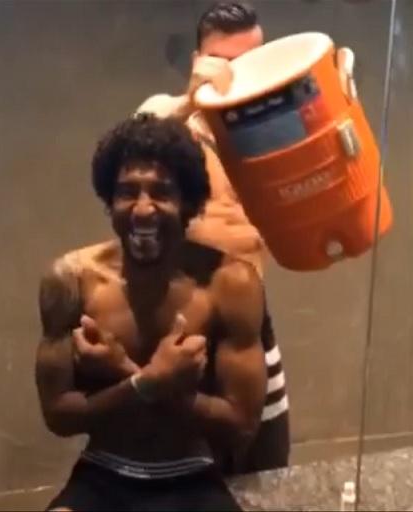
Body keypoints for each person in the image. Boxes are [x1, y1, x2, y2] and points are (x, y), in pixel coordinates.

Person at [36, 114, 267, 511]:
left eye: (161, 192)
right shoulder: (71, 280)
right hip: (103, 474)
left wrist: (128, 372)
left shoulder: (229, 283)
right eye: (127, 192)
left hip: (192, 475)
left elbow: (240, 425)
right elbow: (58, 415)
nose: (143, 210)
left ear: (188, 203)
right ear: (110, 201)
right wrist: (147, 382)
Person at [137, 1, 289, 474]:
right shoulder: (168, 117)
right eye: (222, 61)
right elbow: (138, 157)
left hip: (251, 320)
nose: (235, 75)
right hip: (181, 321)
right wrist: (193, 99)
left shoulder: (275, 134)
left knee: (267, 466)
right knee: (180, 472)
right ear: (198, 60)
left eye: (249, 62)